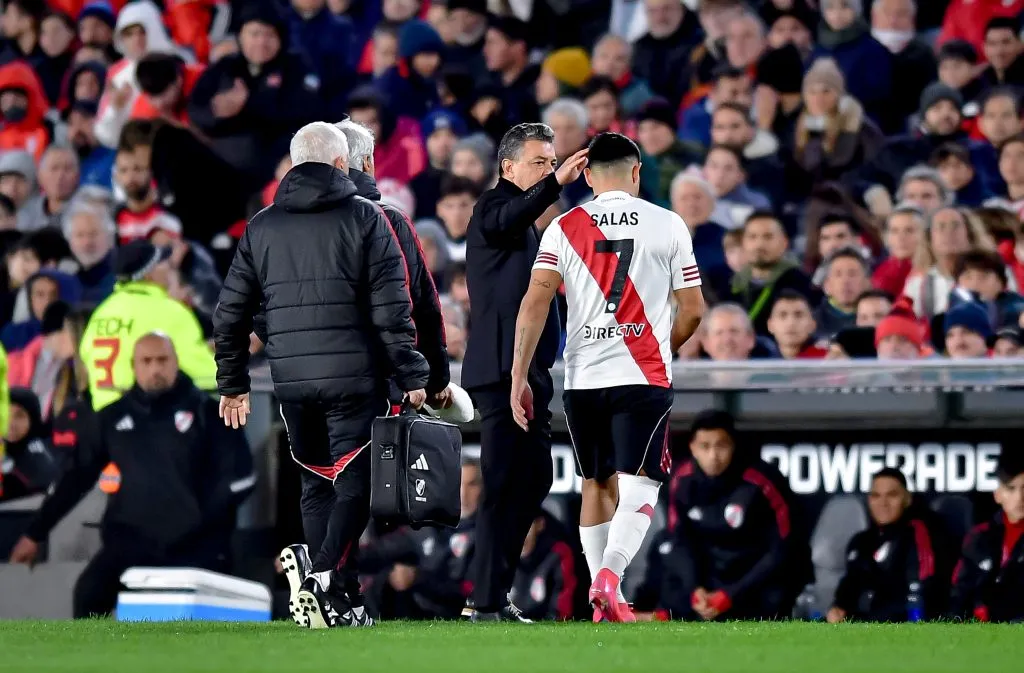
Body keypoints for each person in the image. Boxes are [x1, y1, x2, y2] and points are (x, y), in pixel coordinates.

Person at [212, 122, 430, 630]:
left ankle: (339, 603)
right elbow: (392, 308)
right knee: (356, 482)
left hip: (290, 381)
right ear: (340, 164)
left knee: (316, 484)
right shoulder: (366, 217)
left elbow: (231, 313)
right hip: (355, 378)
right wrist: (411, 369)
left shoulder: (262, 225)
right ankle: (322, 575)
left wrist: (233, 383)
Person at [511, 132, 704, 622]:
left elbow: (535, 303)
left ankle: (605, 605)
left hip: (583, 379)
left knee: (595, 481)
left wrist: (519, 376)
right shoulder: (668, 224)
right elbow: (694, 311)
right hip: (642, 371)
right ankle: (610, 577)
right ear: (636, 172)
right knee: (641, 478)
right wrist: (665, 345)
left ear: (589, 176)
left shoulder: (564, 227)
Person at [8, 334, 254, 618]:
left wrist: (197, 523)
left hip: (196, 548)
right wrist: (35, 532)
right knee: (88, 594)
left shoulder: (210, 414)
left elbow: (240, 479)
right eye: (146, 361)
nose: (155, 369)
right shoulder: (112, 418)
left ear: (176, 362)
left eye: (162, 360)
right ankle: (94, 663)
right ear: (133, 366)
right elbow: (75, 478)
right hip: (131, 544)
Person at [460, 122, 586, 621]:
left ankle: (495, 594)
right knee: (503, 483)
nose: (548, 172)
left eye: (552, 164)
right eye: (540, 162)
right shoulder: (492, 209)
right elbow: (509, 215)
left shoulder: (526, 228)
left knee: (531, 481)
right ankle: (484, 600)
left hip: (531, 375)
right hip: (497, 373)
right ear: (508, 167)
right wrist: (557, 185)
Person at [657, 410, 799, 620]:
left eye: (721, 446)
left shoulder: (761, 481)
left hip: (753, 578)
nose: (713, 456)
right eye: (705, 446)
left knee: (779, 587)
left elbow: (782, 549)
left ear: (733, 445)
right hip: (709, 578)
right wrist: (695, 589)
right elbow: (680, 540)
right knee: (670, 568)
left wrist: (732, 594)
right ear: (693, 448)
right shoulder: (682, 481)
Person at [80, 239, 215, 411]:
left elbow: (85, 358)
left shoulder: (103, 311)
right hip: (147, 418)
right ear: (148, 274)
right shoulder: (168, 310)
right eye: (163, 262)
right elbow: (204, 374)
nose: (169, 268)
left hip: (104, 419)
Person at [827, 467, 944, 623]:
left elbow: (921, 592)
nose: (883, 503)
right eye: (876, 496)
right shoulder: (860, 541)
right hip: (859, 625)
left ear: (907, 499)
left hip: (897, 627)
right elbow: (849, 584)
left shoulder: (918, 534)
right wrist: (838, 607)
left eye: (892, 495)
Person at [949, 452, 1024, 623]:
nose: (1020, 498)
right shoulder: (979, 536)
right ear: (998, 495)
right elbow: (959, 592)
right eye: (1011, 489)